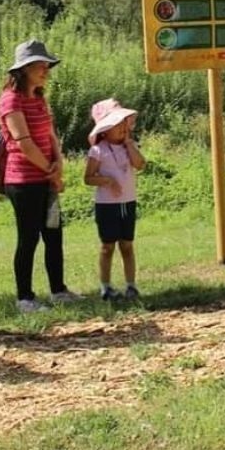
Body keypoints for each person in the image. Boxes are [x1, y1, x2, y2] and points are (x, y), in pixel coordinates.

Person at [0, 39, 82, 313]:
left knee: (54, 234)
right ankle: (24, 298)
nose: (45, 70)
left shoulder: (39, 97)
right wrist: (50, 170)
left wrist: (58, 166)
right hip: (23, 181)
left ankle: (58, 290)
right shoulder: (10, 100)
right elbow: (23, 142)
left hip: (46, 179)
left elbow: (49, 136)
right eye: (39, 65)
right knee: (29, 237)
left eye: (47, 65)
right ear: (22, 69)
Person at [83, 98, 146, 301]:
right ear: (105, 129)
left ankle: (131, 285)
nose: (122, 128)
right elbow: (88, 178)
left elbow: (140, 164)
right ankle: (106, 286)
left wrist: (129, 144)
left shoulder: (129, 146)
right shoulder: (97, 150)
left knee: (127, 244)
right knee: (108, 246)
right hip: (106, 206)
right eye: (116, 124)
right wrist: (106, 181)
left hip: (128, 202)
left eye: (124, 123)